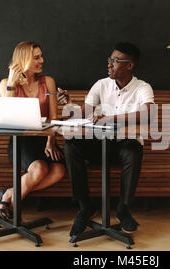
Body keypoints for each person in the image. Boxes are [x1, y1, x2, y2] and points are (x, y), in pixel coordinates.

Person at [64, 42, 154, 236]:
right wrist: (69, 105)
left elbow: (147, 114)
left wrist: (110, 119)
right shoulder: (101, 85)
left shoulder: (142, 88)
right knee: (71, 144)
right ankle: (84, 207)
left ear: (129, 65)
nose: (109, 65)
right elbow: (85, 112)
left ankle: (123, 208)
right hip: (99, 145)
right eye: (109, 60)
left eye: (115, 61)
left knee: (134, 149)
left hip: (123, 146)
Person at [0, 41, 67, 220]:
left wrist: (51, 142)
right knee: (40, 169)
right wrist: (12, 81)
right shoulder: (6, 84)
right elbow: (8, 115)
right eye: (36, 57)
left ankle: (9, 192)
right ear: (24, 59)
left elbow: (53, 117)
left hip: (44, 139)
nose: (42, 60)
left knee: (59, 171)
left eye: (41, 56)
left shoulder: (48, 82)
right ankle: (12, 208)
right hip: (21, 141)